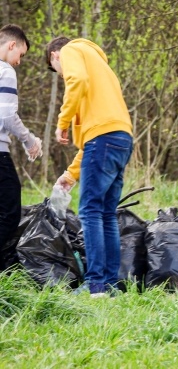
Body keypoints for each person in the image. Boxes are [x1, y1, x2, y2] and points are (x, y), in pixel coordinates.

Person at [45, 36, 133, 297]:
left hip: (104, 141)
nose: (62, 76)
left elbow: (77, 81)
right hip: (121, 138)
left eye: (57, 71)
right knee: (106, 213)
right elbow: (92, 139)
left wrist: (63, 120)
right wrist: (70, 175)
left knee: (90, 211)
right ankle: (111, 285)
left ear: (54, 56)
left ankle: (95, 286)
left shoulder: (71, 50)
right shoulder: (101, 70)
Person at [0, 24, 42, 268]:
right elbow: (6, 116)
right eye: (21, 55)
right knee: (10, 212)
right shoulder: (5, 70)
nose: (19, 62)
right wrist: (30, 140)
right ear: (12, 45)